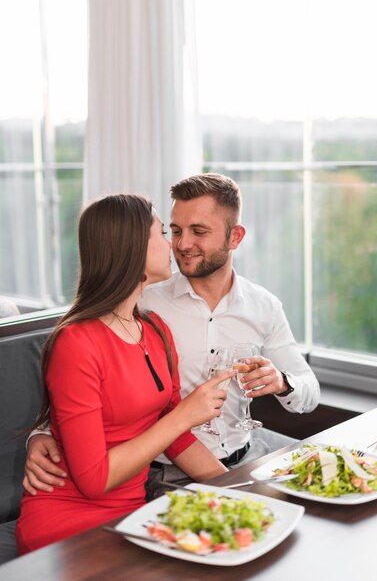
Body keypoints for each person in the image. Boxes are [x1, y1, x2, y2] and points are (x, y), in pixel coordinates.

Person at [23, 174, 320, 501]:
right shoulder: (142, 301)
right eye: (174, 231)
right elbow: (83, 372)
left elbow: (309, 392)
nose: (181, 244)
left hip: (244, 453)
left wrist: (282, 382)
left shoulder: (263, 306)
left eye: (199, 231)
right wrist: (41, 434)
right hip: (164, 470)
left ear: (235, 237)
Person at [14, 193, 232, 555]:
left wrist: (241, 491)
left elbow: (175, 438)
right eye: (163, 233)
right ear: (132, 249)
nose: (173, 244)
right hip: (67, 522)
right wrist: (184, 415)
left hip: (131, 514)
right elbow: (94, 480)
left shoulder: (156, 329)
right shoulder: (76, 343)